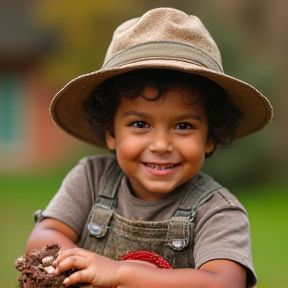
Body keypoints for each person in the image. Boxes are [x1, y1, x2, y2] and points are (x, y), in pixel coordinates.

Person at [25, 7, 273, 288]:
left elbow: (225, 282)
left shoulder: (218, 212)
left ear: (209, 137)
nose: (161, 145)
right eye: (140, 124)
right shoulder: (91, 179)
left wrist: (120, 273)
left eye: (183, 126)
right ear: (111, 132)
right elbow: (44, 235)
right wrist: (77, 266)